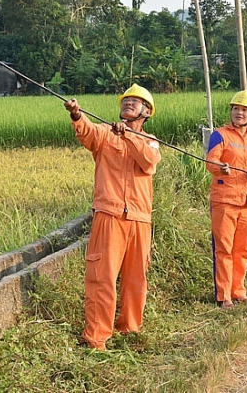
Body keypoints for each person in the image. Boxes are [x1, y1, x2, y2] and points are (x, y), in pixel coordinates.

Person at [64, 83, 161, 350]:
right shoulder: (106, 134)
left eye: (135, 101)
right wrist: (76, 114)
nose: (128, 103)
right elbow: (87, 132)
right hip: (109, 214)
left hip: (140, 218)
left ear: (147, 111)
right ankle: (96, 337)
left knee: (136, 278)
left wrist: (128, 135)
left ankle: (129, 329)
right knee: (101, 276)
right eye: (125, 100)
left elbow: (148, 162)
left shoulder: (150, 141)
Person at [206, 90, 247, 309]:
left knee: (242, 249)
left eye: (244, 110)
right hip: (224, 201)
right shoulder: (219, 135)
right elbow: (210, 161)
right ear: (231, 111)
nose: (239, 113)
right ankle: (224, 296)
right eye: (236, 109)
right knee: (224, 249)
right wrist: (220, 168)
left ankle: (238, 290)